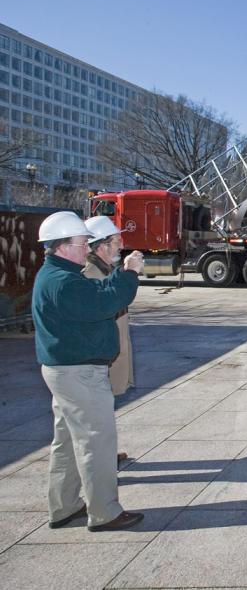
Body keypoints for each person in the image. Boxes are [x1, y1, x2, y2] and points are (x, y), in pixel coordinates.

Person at [32, 211, 145, 531]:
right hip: (78, 373)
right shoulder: (63, 282)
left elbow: (96, 296)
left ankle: (64, 506)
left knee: (67, 442)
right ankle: (104, 512)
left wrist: (119, 273)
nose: (87, 248)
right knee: (98, 442)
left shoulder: (58, 275)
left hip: (66, 371)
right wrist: (130, 275)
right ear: (62, 246)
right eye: (82, 243)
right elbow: (103, 304)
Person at [83, 215, 134, 466]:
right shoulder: (91, 273)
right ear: (101, 246)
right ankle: (100, 460)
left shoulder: (105, 270)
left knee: (104, 410)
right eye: (116, 241)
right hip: (99, 356)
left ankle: (106, 452)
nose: (120, 245)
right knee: (96, 414)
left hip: (108, 352)